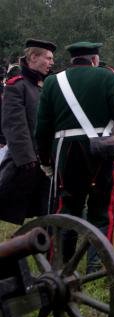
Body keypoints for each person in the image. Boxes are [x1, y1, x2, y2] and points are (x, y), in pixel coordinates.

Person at [35, 42, 114, 269]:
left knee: (67, 208)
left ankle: (61, 262)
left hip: (66, 153)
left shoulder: (52, 82)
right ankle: (96, 265)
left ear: (72, 60)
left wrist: (46, 160)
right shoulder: (107, 78)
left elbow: (43, 129)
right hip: (100, 152)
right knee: (102, 208)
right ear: (94, 59)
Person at [0, 39, 56, 224]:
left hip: (47, 161)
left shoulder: (48, 86)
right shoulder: (17, 86)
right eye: (48, 58)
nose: (52, 62)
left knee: (48, 212)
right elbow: (14, 126)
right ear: (33, 57)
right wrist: (27, 159)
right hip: (24, 163)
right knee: (14, 209)